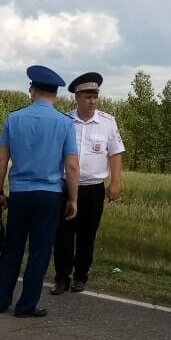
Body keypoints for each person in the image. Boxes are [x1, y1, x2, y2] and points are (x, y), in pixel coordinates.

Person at [0, 65, 80, 318]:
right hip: (50, 195)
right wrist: (73, 198)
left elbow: (1, 160)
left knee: (13, 248)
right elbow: (72, 165)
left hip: (19, 193)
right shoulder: (65, 123)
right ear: (54, 94)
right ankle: (27, 304)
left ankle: (0, 299)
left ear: (32, 90)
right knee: (39, 251)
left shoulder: (13, 119)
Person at [51, 71, 125, 295]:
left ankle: (81, 275)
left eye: (95, 96)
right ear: (77, 97)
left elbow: (115, 154)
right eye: (87, 97)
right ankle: (62, 277)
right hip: (66, 186)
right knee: (63, 235)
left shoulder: (107, 122)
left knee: (87, 236)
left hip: (93, 188)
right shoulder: (64, 121)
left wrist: (115, 183)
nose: (92, 101)